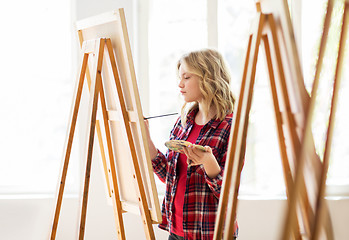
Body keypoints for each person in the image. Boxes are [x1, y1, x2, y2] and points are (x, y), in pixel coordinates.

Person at [145, 49, 238, 240]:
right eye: (180, 77)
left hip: (210, 234)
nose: (180, 84)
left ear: (208, 78)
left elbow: (228, 195)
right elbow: (170, 175)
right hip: (176, 231)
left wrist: (209, 163)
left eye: (186, 77)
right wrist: (145, 138)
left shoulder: (231, 126)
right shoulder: (184, 121)